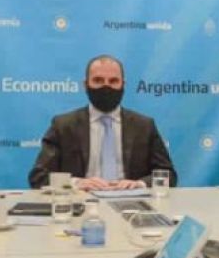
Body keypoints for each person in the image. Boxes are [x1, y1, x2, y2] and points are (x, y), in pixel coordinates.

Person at [28, 54, 176, 191]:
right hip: (80, 204)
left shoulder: (144, 126)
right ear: (86, 85)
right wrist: (75, 183)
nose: (106, 87)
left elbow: (168, 175)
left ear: (123, 85)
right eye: (98, 80)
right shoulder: (63, 125)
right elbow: (39, 177)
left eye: (113, 81)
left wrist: (139, 184)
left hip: (132, 206)